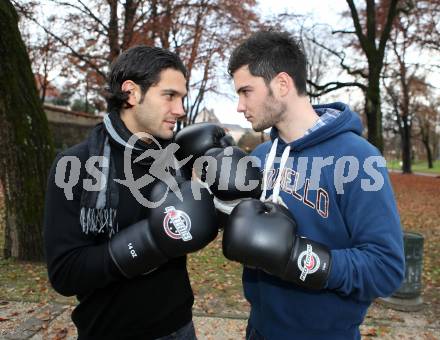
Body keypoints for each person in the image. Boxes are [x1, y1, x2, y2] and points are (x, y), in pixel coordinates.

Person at [218, 30, 405, 339]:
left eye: (246, 91)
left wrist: (299, 258)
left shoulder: (359, 158)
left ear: (281, 84)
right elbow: (252, 235)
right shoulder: (264, 156)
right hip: (259, 330)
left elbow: (386, 268)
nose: (239, 105)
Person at [43, 45, 222, 339]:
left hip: (178, 327)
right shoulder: (75, 165)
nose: (180, 109)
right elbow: (65, 273)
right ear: (131, 92)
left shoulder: (173, 158)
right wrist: (150, 241)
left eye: (182, 98)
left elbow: (194, 226)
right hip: (110, 331)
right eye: (169, 96)